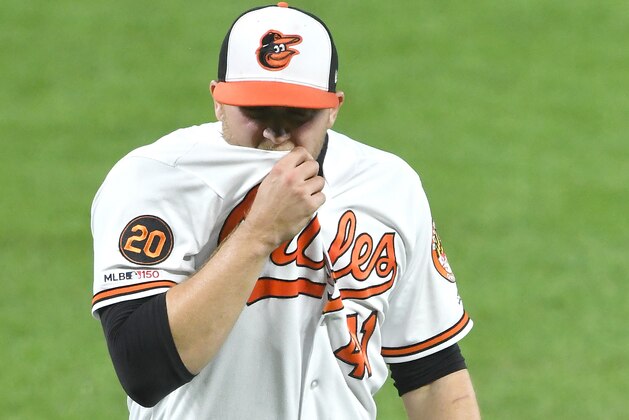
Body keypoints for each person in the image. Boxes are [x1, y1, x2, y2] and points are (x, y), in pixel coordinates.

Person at [91, 3, 480, 419]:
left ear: (334, 107)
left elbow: (431, 371)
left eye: (297, 115)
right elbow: (143, 369)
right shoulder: (154, 181)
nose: (275, 134)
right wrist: (259, 232)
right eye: (256, 112)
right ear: (218, 100)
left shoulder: (389, 186)